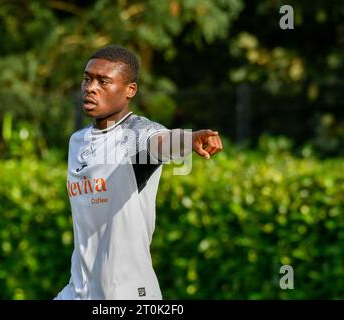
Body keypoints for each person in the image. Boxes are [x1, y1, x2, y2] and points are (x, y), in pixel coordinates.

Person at [54, 45, 223, 300]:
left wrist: (189, 139)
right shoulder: (77, 140)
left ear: (129, 90)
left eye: (103, 81)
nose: (90, 87)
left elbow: (160, 141)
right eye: (87, 78)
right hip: (78, 292)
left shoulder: (135, 134)